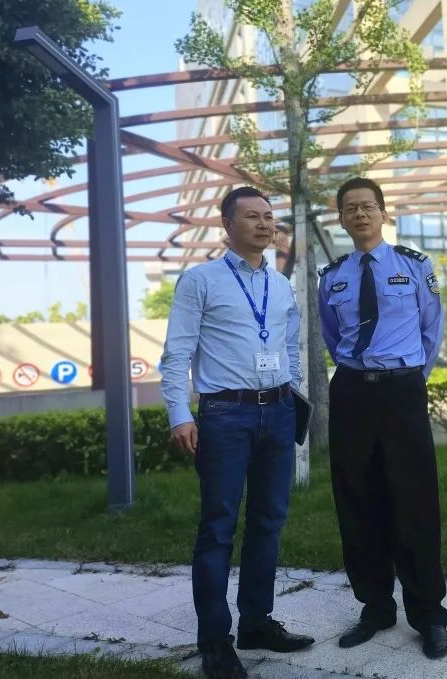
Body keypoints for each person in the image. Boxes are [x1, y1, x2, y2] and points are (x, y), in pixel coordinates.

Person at [161, 186, 314, 679]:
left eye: (269, 216)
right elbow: (177, 353)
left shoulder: (281, 284)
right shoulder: (200, 280)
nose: (265, 224)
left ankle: (256, 622)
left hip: (279, 410)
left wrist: (291, 388)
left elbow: (290, 346)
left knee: (269, 521)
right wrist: (179, 414)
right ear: (227, 224)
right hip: (226, 414)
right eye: (252, 216)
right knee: (218, 527)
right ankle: (215, 641)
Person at [317, 177, 447, 659]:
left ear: (382, 212)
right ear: (341, 218)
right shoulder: (332, 276)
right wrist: (361, 373)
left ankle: (428, 614)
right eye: (350, 208)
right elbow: (332, 336)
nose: (360, 214)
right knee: (357, 501)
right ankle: (375, 607)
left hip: (401, 391)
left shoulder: (414, 265)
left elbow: (432, 328)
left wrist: (409, 376)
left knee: (414, 502)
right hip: (353, 392)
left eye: (367, 206)